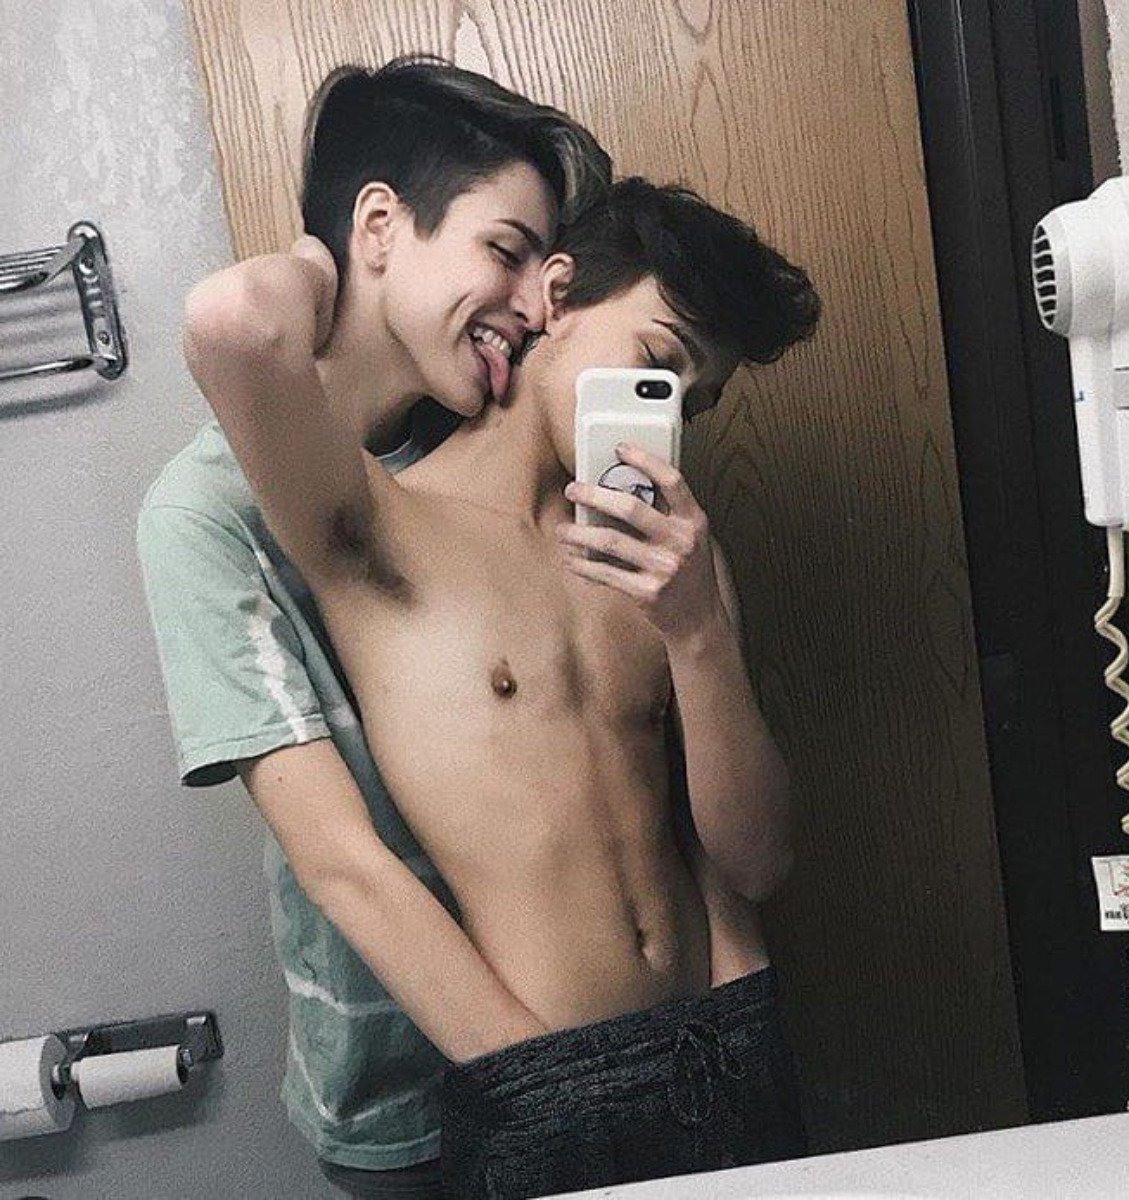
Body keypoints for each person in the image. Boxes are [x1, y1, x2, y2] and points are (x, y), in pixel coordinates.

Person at [182, 175, 821, 1198]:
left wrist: (699, 631)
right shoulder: (381, 532)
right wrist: (331, 256)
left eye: (693, 402)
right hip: (537, 1077)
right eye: (656, 366)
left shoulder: (673, 561)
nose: (669, 417)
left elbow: (756, 862)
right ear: (556, 297)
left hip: (728, 1043)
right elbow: (232, 324)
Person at [136, 55, 609, 1198]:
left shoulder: (494, 450)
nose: (525, 303)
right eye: (503, 250)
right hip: (410, 1105)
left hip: (594, 1030)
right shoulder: (203, 515)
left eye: (541, 269)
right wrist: (563, 1102)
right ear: (383, 225)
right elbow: (345, 866)